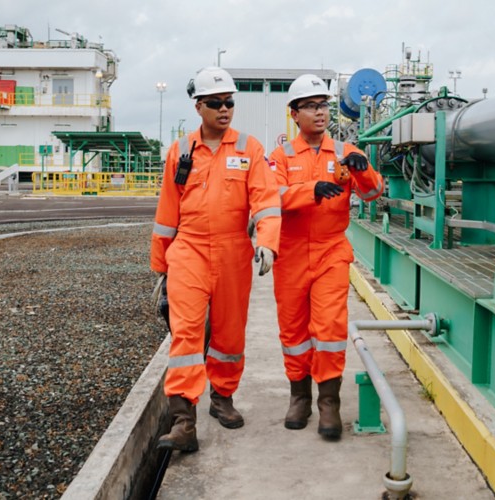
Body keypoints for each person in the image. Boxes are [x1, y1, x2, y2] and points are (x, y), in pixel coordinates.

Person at [151, 67, 281, 452]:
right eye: (216, 103)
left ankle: (222, 397)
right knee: (187, 335)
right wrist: (161, 266)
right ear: (199, 106)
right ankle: (182, 421)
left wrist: (268, 242)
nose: (225, 110)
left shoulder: (249, 149)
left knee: (227, 335)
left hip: (232, 252)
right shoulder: (180, 151)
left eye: (230, 102)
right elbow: (166, 211)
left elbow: (266, 200)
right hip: (188, 250)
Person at [268, 74, 383, 439]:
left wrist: (364, 175)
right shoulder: (281, 156)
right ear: (295, 113)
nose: (320, 113)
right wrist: (310, 190)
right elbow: (273, 197)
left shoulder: (347, 152)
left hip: (331, 250)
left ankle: (328, 403)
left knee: (330, 328)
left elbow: (373, 193)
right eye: (312, 106)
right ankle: (299, 396)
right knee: (293, 330)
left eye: (324, 106)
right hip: (290, 253)